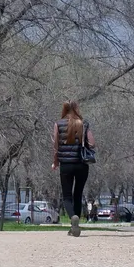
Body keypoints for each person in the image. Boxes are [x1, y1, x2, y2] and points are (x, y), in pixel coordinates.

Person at [53, 101, 94, 237]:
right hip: (82, 164)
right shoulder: (83, 123)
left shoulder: (58, 124)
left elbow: (55, 147)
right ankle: (75, 222)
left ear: (64, 109)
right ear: (77, 109)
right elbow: (92, 144)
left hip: (66, 165)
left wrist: (55, 162)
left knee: (67, 196)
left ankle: (73, 219)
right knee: (78, 194)